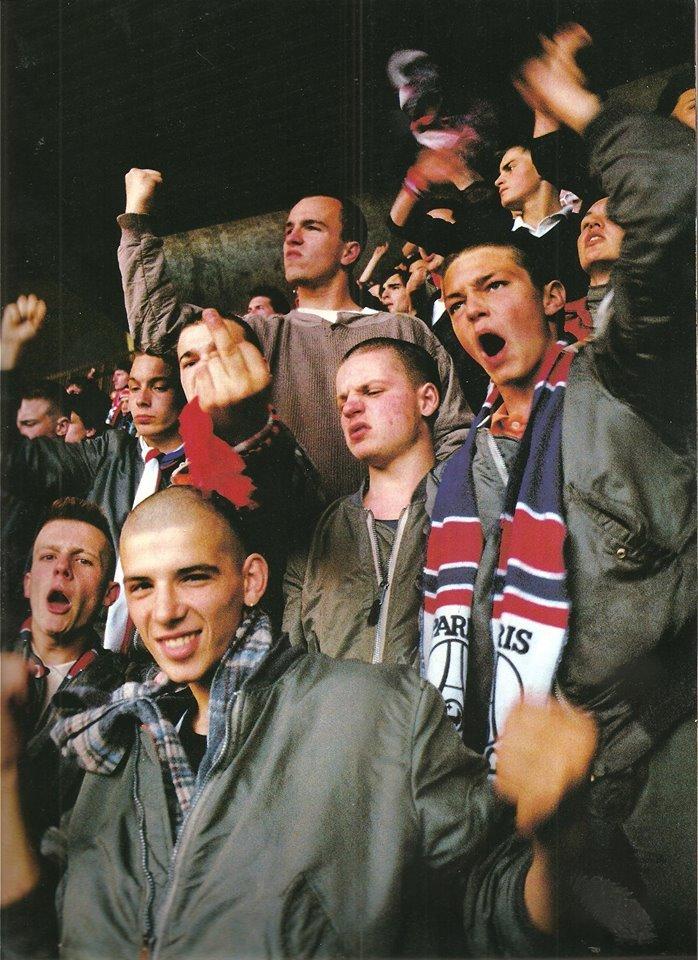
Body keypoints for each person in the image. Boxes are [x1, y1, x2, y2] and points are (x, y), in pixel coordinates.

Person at [1, 484, 599, 959]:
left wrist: (555, 834)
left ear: (251, 580)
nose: (165, 612)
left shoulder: (380, 714)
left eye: (193, 576)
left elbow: (493, 914)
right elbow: (39, 931)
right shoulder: (114, 736)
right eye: (141, 586)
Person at [424, 28, 695, 953]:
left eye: (493, 286)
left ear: (549, 296)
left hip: (658, 772)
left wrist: (586, 113)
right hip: (521, 805)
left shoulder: (626, 382)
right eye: (456, 303)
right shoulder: (452, 471)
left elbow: (672, 202)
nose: (473, 313)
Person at [117, 173, 472, 500]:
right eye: (288, 229)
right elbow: (155, 326)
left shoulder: (404, 330)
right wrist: (136, 219)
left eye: (311, 227)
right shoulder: (259, 334)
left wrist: (427, 515)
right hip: (304, 556)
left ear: (349, 251)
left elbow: (455, 432)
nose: (292, 238)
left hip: (409, 536)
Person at [283, 338, 440, 665]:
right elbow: (294, 675)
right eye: (343, 401)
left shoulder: (469, 513)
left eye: (372, 391)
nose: (351, 407)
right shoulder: (318, 538)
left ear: (426, 399)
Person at [2, 497, 124, 847]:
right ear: (27, 583)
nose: (62, 569)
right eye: (48, 556)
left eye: (83, 560)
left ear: (108, 595)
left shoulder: (121, 696)